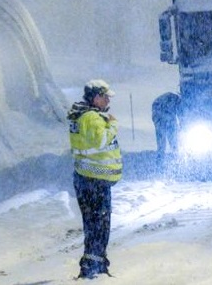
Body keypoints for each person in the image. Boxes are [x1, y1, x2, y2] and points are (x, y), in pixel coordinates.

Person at [67, 79, 122, 279]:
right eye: (106, 96)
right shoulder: (91, 117)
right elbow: (100, 141)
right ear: (96, 97)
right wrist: (113, 125)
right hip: (94, 181)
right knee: (99, 224)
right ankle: (93, 269)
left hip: (87, 179)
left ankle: (95, 265)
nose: (108, 100)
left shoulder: (81, 115)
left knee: (93, 225)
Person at [152, 92, 181, 166]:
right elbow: (181, 117)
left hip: (158, 112)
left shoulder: (173, 98)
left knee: (162, 142)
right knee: (170, 141)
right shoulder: (177, 101)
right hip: (161, 112)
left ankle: (160, 162)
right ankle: (176, 162)